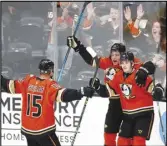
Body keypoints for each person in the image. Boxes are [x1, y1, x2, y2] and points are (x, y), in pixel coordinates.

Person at [67, 36, 156, 146]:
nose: (114, 57)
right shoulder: (108, 62)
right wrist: (78, 47)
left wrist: (143, 71)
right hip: (115, 103)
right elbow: (91, 60)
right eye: (112, 54)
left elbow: (150, 66)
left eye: (117, 55)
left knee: (133, 139)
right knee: (109, 135)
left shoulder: (132, 63)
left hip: (129, 104)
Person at [1, 58, 94, 146]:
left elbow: (9, 85)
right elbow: (64, 95)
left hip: (27, 130)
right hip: (43, 131)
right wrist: (80, 92)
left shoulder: (28, 80)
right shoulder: (49, 85)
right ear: (51, 71)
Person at [89, 51, 164, 146]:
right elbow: (109, 92)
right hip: (128, 116)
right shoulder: (118, 77)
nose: (124, 65)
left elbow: (156, 89)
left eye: (126, 62)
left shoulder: (140, 76)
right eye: (122, 63)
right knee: (122, 142)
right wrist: (97, 86)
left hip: (143, 115)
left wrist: (158, 90)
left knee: (138, 142)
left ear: (132, 63)